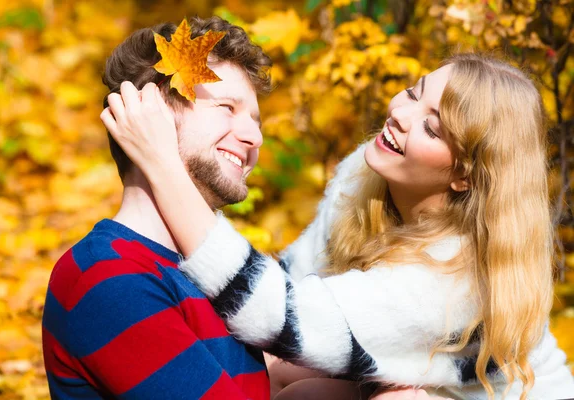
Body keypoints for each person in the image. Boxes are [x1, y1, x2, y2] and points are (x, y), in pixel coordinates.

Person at [102, 52, 574, 400]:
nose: (400, 116)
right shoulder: (368, 175)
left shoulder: (455, 279)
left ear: (464, 175)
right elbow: (293, 282)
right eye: (413, 93)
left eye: (432, 128)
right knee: (296, 386)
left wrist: (162, 163)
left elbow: (283, 317)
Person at [41, 16, 274, 399]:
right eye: (228, 108)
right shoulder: (106, 275)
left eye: (255, 121)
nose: (255, 137)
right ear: (151, 112)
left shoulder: (210, 273)